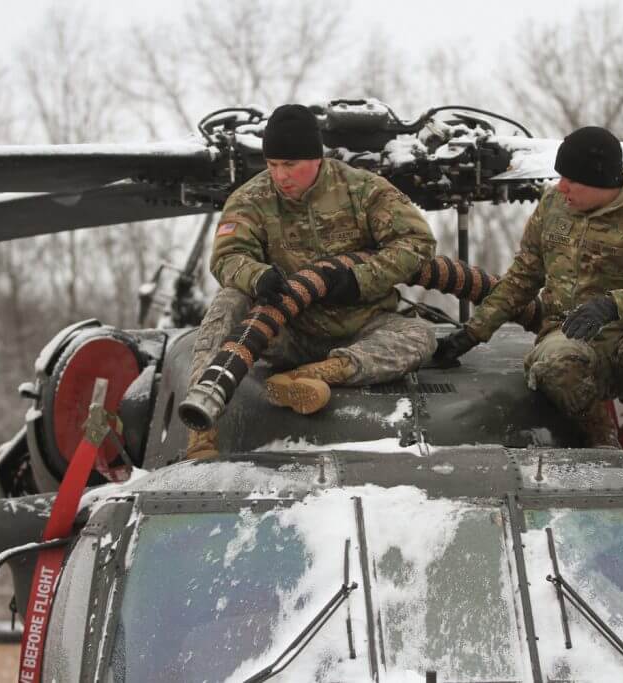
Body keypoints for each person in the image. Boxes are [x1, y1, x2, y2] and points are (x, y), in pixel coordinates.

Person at [185, 104, 438, 458]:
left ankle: (320, 373)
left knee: (421, 336)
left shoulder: (362, 190)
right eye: (272, 164)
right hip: (287, 330)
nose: (280, 175)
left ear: (316, 159)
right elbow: (226, 257)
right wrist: (257, 277)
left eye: (290, 165)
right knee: (229, 299)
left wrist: (358, 279)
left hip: (362, 326)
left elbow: (418, 242)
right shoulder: (251, 199)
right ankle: (202, 424)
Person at [434, 126, 623, 452]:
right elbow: (523, 276)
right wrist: (473, 333)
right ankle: (600, 436)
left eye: (572, 181)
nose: (561, 187)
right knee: (555, 361)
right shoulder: (553, 206)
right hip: (570, 337)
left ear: (601, 182)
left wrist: (614, 305)